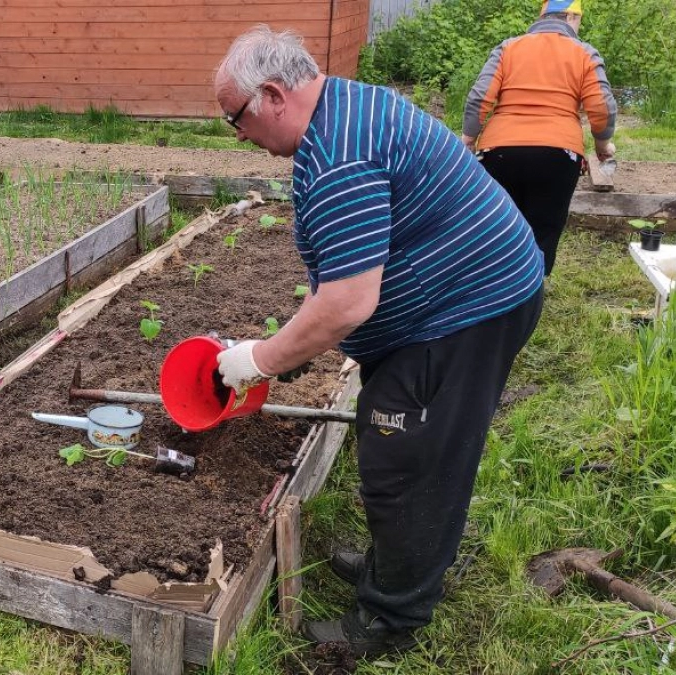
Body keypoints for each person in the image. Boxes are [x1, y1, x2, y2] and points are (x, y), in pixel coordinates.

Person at [212, 25, 545, 656]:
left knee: (410, 459)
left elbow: (346, 304)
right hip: (461, 296)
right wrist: (287, 346)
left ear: (275, 96)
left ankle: (390, 620)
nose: (240, 137)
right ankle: (393, 565)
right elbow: (345, 275)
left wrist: (257, 360)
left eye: (237, 119)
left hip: (465, 313)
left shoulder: (341, 153)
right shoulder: (341, 109)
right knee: (393, 432)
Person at [462, 0, 617, 276]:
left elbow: (479, 97)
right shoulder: (584, 53)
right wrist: (603, 145)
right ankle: (530, 293)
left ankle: (492, 290)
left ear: (542, 15)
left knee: (499, 226)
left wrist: (468, 138)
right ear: (571, 16)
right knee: (544, 226)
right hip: (558, 154)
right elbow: (602, 107)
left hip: (499, 151)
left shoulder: (508, 48)